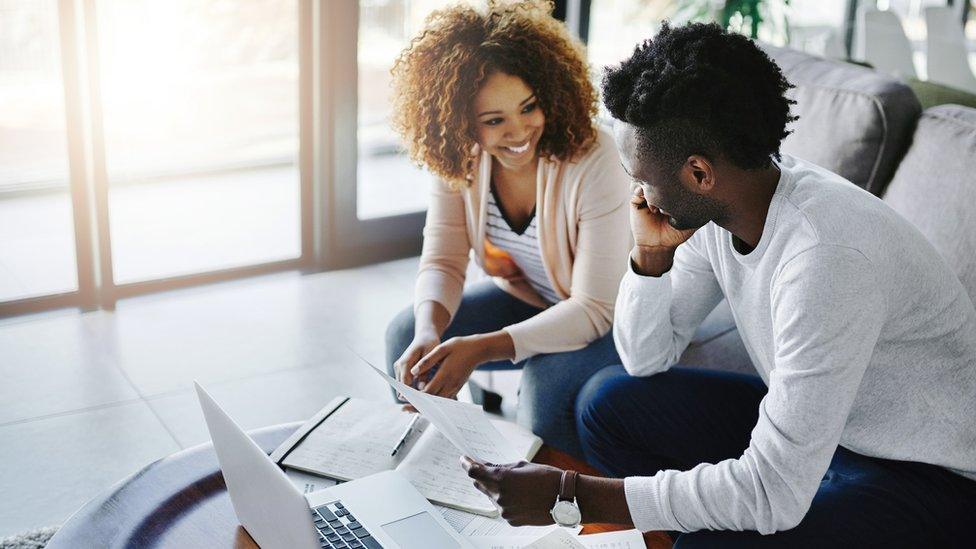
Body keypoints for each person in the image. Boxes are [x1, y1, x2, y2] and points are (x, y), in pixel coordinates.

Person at [462, 22, 976, 546]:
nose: (635, 193)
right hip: (832, 432)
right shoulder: (724, 204)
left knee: (713, 543)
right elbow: (645, 358)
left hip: (926, 475)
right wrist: (649, 258)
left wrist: (571, 494)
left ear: (700, 174)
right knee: (607, 403)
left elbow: (774, 491)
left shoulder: (825, 257)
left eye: (639, 174)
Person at [384, 0, 631, 457]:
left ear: (550, 93)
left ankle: (555, 514)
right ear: (461, 124)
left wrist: (480, 348)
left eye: (529, 107)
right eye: (494, 120)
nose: (519, 132)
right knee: (406, 336)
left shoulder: (596, 158)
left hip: (615, 320)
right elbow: (443, 259)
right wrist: (428, 332)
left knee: (545, 389)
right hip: (538, 298)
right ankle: (433, 473)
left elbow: (595, 308)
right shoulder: (461, 158)